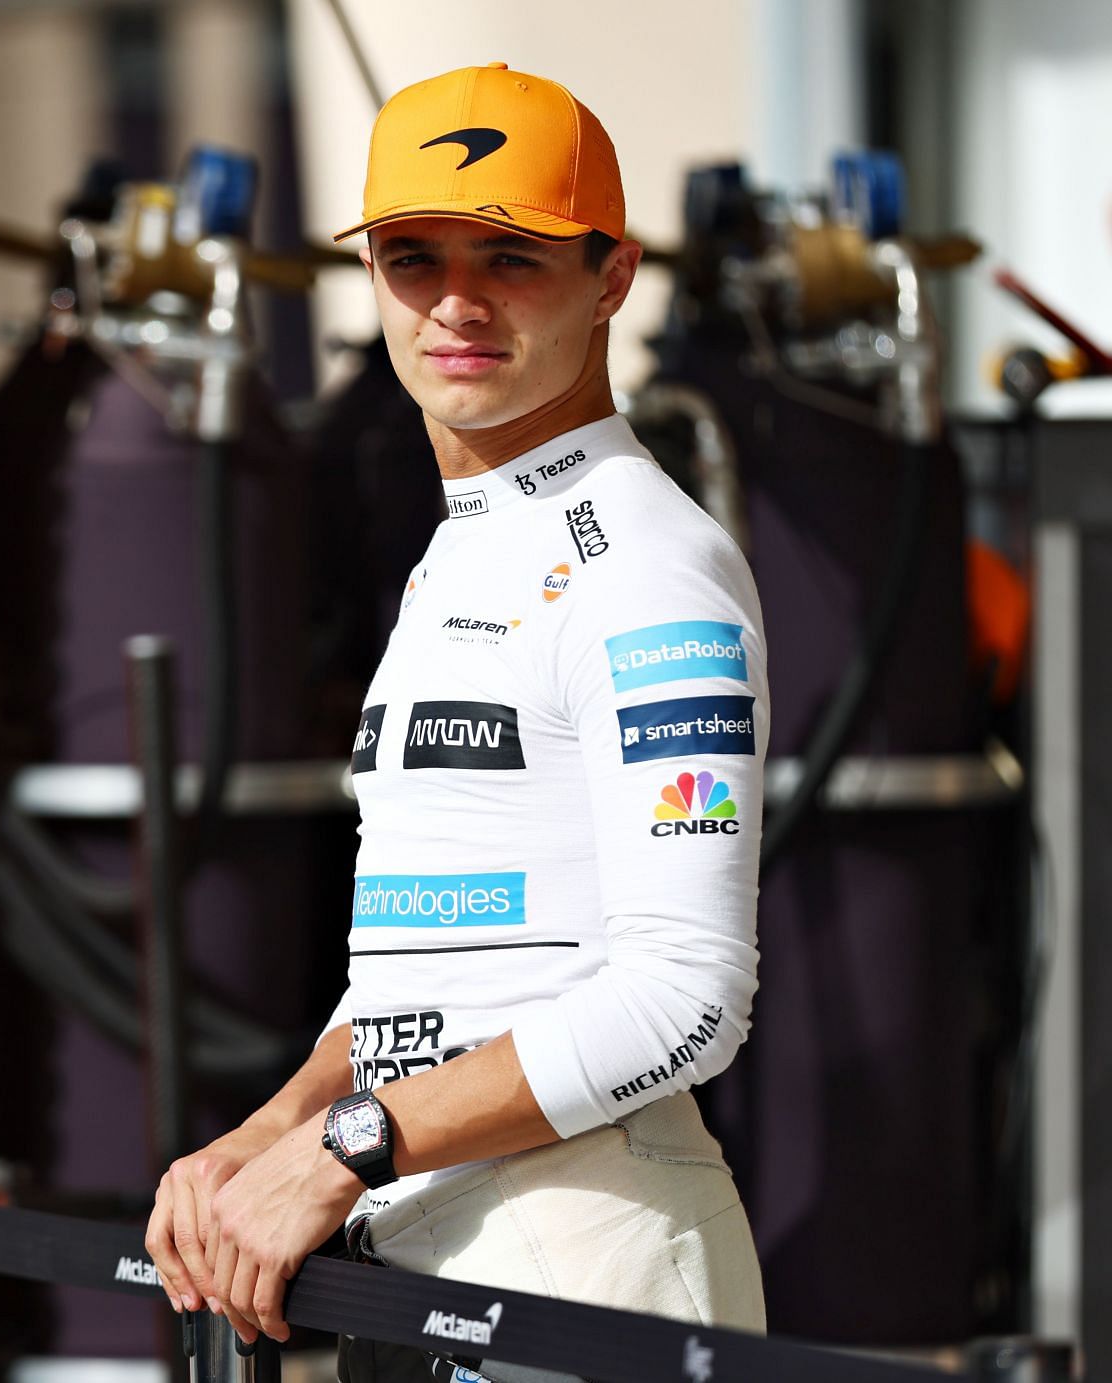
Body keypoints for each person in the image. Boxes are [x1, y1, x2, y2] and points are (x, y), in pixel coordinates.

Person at [142, 62, 772, 1378]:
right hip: (429, 1251)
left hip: (586, 1254)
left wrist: (345, 1147)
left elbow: (686, 998)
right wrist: (268, 1134)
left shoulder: (644, 559)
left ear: (613, 278)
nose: (456, 301)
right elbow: (431, 984)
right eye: (410, 254)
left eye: (514, 257)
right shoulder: (469, 548)